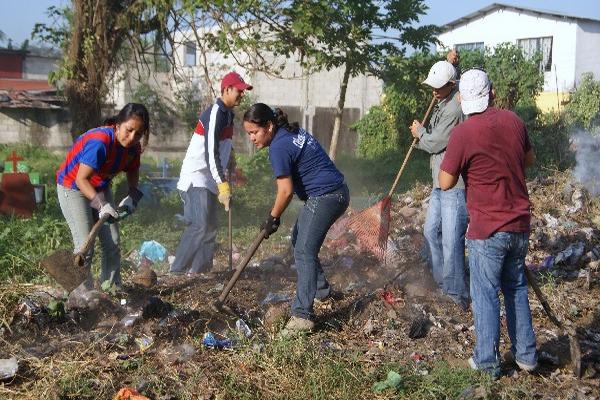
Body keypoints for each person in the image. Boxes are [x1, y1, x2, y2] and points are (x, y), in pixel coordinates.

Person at [439, 68, 538, 378]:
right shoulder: (515, 121)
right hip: (519, 223)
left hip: (487, 228)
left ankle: (487, 361)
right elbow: (529, 160)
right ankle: (526, 356)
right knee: (516, 288)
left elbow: (444, 181)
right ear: (492, 94)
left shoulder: (464, 133)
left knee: (484, 293)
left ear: (463, 100)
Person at [243, 103, 349, 337]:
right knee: (299, 239)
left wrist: (272, 217)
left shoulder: (278, 148)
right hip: (337, 192)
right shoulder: (289, 133)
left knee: (303, 251)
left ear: (268, 126)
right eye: (248, 133)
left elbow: (285, 191)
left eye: (254, 132)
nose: (251, 138)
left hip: (327, 196)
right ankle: (322, 291)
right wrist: (275, 217)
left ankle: (303, 316)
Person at [57, 103, 150, 290]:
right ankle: (81, 295)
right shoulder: (100, 142)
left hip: (100, 186)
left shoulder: (133, 148)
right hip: (73, 187)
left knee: (113, 242)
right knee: (86, 244)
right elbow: (82, 179)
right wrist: (101, 205)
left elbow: (132, 170)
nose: (132, 137)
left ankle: (111, 288)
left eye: (138, 134)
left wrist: (132, 195)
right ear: (117, 125)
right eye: (129, 130)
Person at [170, 71, 252, 276]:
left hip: (210, 179)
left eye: (243, 92)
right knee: (199, 225)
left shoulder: (228, 115)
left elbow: (223, 146)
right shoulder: (216, 112)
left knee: (211, 227)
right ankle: (177, 272)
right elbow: (210, 152)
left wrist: (231, 162)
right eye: (239, 91)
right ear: (226, 89)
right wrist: (223, 184)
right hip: (196, 177)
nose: (242, 95)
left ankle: (200, 271)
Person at [409, 60, 469, 310]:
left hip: (454, 185)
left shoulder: (454, 110)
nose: (434, 91)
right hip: (438, 181)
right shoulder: (444, 102)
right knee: (431, 232)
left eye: (438, 87)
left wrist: (420, 133)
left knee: (452, 240)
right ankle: (442, 281)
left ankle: (456, 294)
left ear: (452, 85)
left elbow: (435, 143)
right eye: (433, 87)